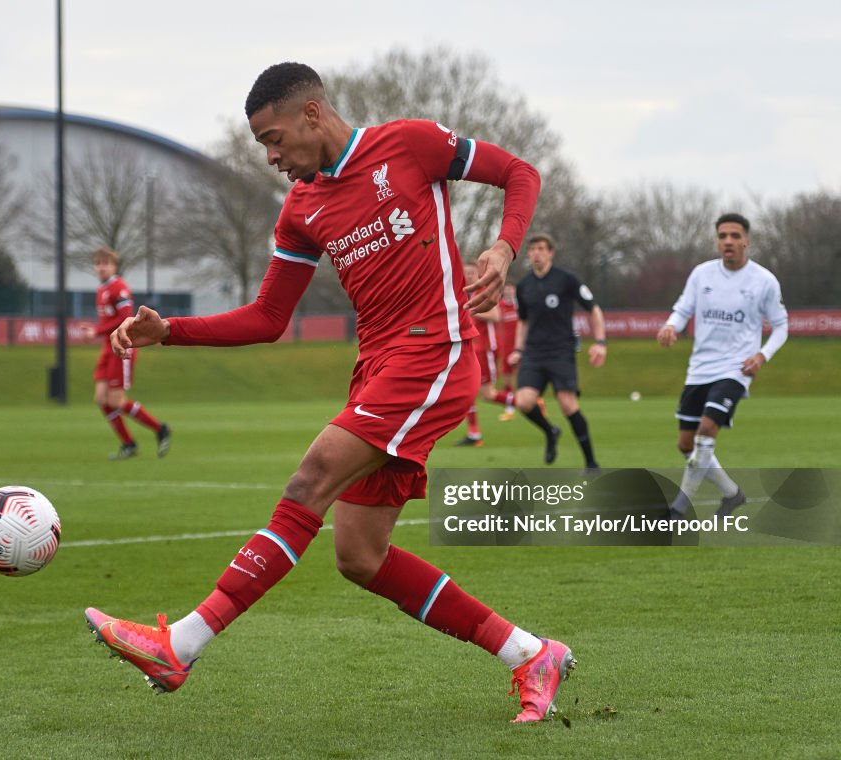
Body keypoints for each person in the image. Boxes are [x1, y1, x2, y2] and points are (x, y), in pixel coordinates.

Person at [85, 62, 576, 723]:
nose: (272, 157)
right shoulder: (301, 210)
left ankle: (180, 644)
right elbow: (266, 318)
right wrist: (167, 330)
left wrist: (502, 248)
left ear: (312, 114)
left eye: (274, 138)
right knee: (359, 556)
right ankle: (529, 654)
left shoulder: (409, 144)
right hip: (378, 369)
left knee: (309, 479)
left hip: (436, 351)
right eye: (263, 145)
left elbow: (521, 173)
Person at [657, 213, 788, 518]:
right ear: (717, 240)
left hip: (735, 369)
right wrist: (671, 326)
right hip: (700, 368)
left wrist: (761, 355)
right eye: (722, 235)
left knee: (706, 429)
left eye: (734, 235)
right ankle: (732, 494)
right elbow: (683, 308)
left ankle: (679, 507)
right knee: (685, 443)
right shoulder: (702, 274)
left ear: (746, 240)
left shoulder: (763, 280)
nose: (728, 241)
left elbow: (781, 326)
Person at [508, 234, 605, 472]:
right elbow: (522, 321)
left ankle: (591, 463)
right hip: (533, 353)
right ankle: (550, 431)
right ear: (528, 254)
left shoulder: (567, 280)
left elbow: (594, 310)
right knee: (523, 402)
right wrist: (518, 349)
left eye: (542, 248)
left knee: (567, 404)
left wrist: (600, 342)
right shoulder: (524, 286)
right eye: (532, 249)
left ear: (551, 252)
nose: (537, 253)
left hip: (561, 351)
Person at [91, 246, 170, 460]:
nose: (101, 268)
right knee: (101, 398)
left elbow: (124, 318)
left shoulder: (119, 288)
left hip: (123, 345)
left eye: (105, 263)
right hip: (108, 347)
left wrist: (97, 330)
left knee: (116, 400)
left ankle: (159, 428)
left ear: (114, 266)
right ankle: (128, 443)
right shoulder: (101, 290)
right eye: (98, 264)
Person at [454, 263, 514, 447]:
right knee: (466, 391)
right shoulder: (461, 293)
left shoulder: (482, 292)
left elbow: (496, 315)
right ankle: (474, 434)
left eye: (472, 273)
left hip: (485, 348)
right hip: (469, 349)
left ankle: (527, 403)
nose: (469, 276)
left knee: (487, 394)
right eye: (465, 273)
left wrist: (470, 310)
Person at [495, 283, 519, 421]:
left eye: (511, 289)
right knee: (507, 381)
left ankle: (539, 405)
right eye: (507, 289)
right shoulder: (500, 306)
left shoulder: (519, 306)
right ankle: (509, 411)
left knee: (527, 381)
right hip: (505, 349)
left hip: (520, 349)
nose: (509, 292)